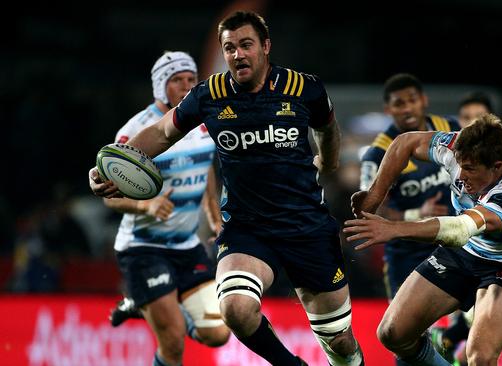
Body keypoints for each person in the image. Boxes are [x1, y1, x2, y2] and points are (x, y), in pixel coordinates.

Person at [89, 11, 364, 366]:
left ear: (265, 47)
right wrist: (110, 166)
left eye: (246, 45)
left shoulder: (303, 87)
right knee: (235, 308)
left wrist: (327, 163)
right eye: (229, 47)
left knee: (340, 342)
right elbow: (161, 133)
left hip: (306, 227)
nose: (237, 55)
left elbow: (327, 129)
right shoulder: (209, 94)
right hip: (247, 229)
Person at [344, 114, 502, 366]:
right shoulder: (457, 146)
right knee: (393, 334)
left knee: (480, 358)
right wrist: (374, 196)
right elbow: (404, 142)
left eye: (470, 168)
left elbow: (460, 229)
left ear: (496, 166)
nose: (460, 174)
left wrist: (394, 228)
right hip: (465, 251)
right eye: (460, 164)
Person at [97, 51, 231, 366]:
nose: (186, 87)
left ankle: (143, 304)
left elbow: (206, 168)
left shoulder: (201, 121)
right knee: (173, 345)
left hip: (186, 247)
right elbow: (108, 197)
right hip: (143, 249)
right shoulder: (136, 131)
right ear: (160, 86)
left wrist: (214, 217)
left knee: (218, 334)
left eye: (190, 79)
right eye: (176, 81)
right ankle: (151, 302)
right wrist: (147, 205)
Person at [359, 73, 459, 365]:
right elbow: (369, 212)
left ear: (423, 101)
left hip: (453, 245)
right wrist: (415, 214)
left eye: (412, 100)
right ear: (388, 110)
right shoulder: (377, 154)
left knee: (466, 328)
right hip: (407, 256)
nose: (407, 108)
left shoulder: (449, 129)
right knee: (405, 339)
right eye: (399, 104)